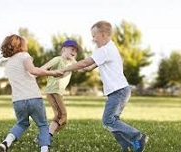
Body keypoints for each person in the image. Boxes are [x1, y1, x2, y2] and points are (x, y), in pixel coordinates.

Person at [59, 21, 149, 152]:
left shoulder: (105, 50)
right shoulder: (106, 49)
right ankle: (128, 146)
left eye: (94, 35)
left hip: (118, 91)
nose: (93, 39)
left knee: (108, 121)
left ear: (102, 35)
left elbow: (85, 62)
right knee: (113, 120)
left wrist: (66, 69)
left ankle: (137, 137)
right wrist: (75, 65)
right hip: (120, 90)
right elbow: (88, 67)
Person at [0, 34, 62, 152]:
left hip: (18, 101)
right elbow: (33, 71)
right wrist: (53, 73)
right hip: (33, 98)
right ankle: (44, 149)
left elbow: (28, 74)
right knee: (42, 125)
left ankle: (7, 141)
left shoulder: (8, 64)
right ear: (21, 45)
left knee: (21, 124)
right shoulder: (24, 56)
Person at [39, 39, 79, 141]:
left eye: (76, 51)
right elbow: (43, 68)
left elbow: (82, 68)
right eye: (72, 49)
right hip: (53, 91)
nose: (74, 52)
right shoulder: (58, 59)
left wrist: (96, 63)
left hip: (58, 93)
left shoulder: (71, 64)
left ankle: (44, 136)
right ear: (63, 50)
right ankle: (45, 138)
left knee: (63, 120)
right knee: (61, 115)